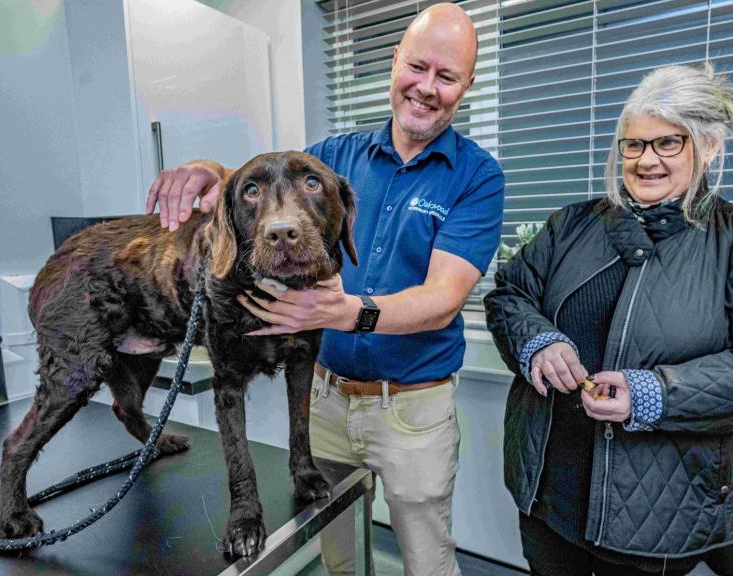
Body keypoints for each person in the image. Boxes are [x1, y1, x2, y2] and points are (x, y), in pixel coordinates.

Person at [146, 4, 505, 574]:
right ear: (395, 63)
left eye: (447, 76)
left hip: (411, 407)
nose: (427, 88)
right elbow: (266, 179)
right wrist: (210, 169)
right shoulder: (332, 157)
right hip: (323, 399)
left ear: (467, 85)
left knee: (427, 558)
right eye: (417, 67)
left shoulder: (477, 176)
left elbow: (444, 297)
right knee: (339, 550)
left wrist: (348, 312)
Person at [484, 64, 733, 576]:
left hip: (657, 512)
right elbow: (510, 295)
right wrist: (538, 340)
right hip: (547, 491)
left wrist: (653, 394)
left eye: (667, 143)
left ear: (708, 146)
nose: (645, 161)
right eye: (632, 144)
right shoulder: (573, 224)